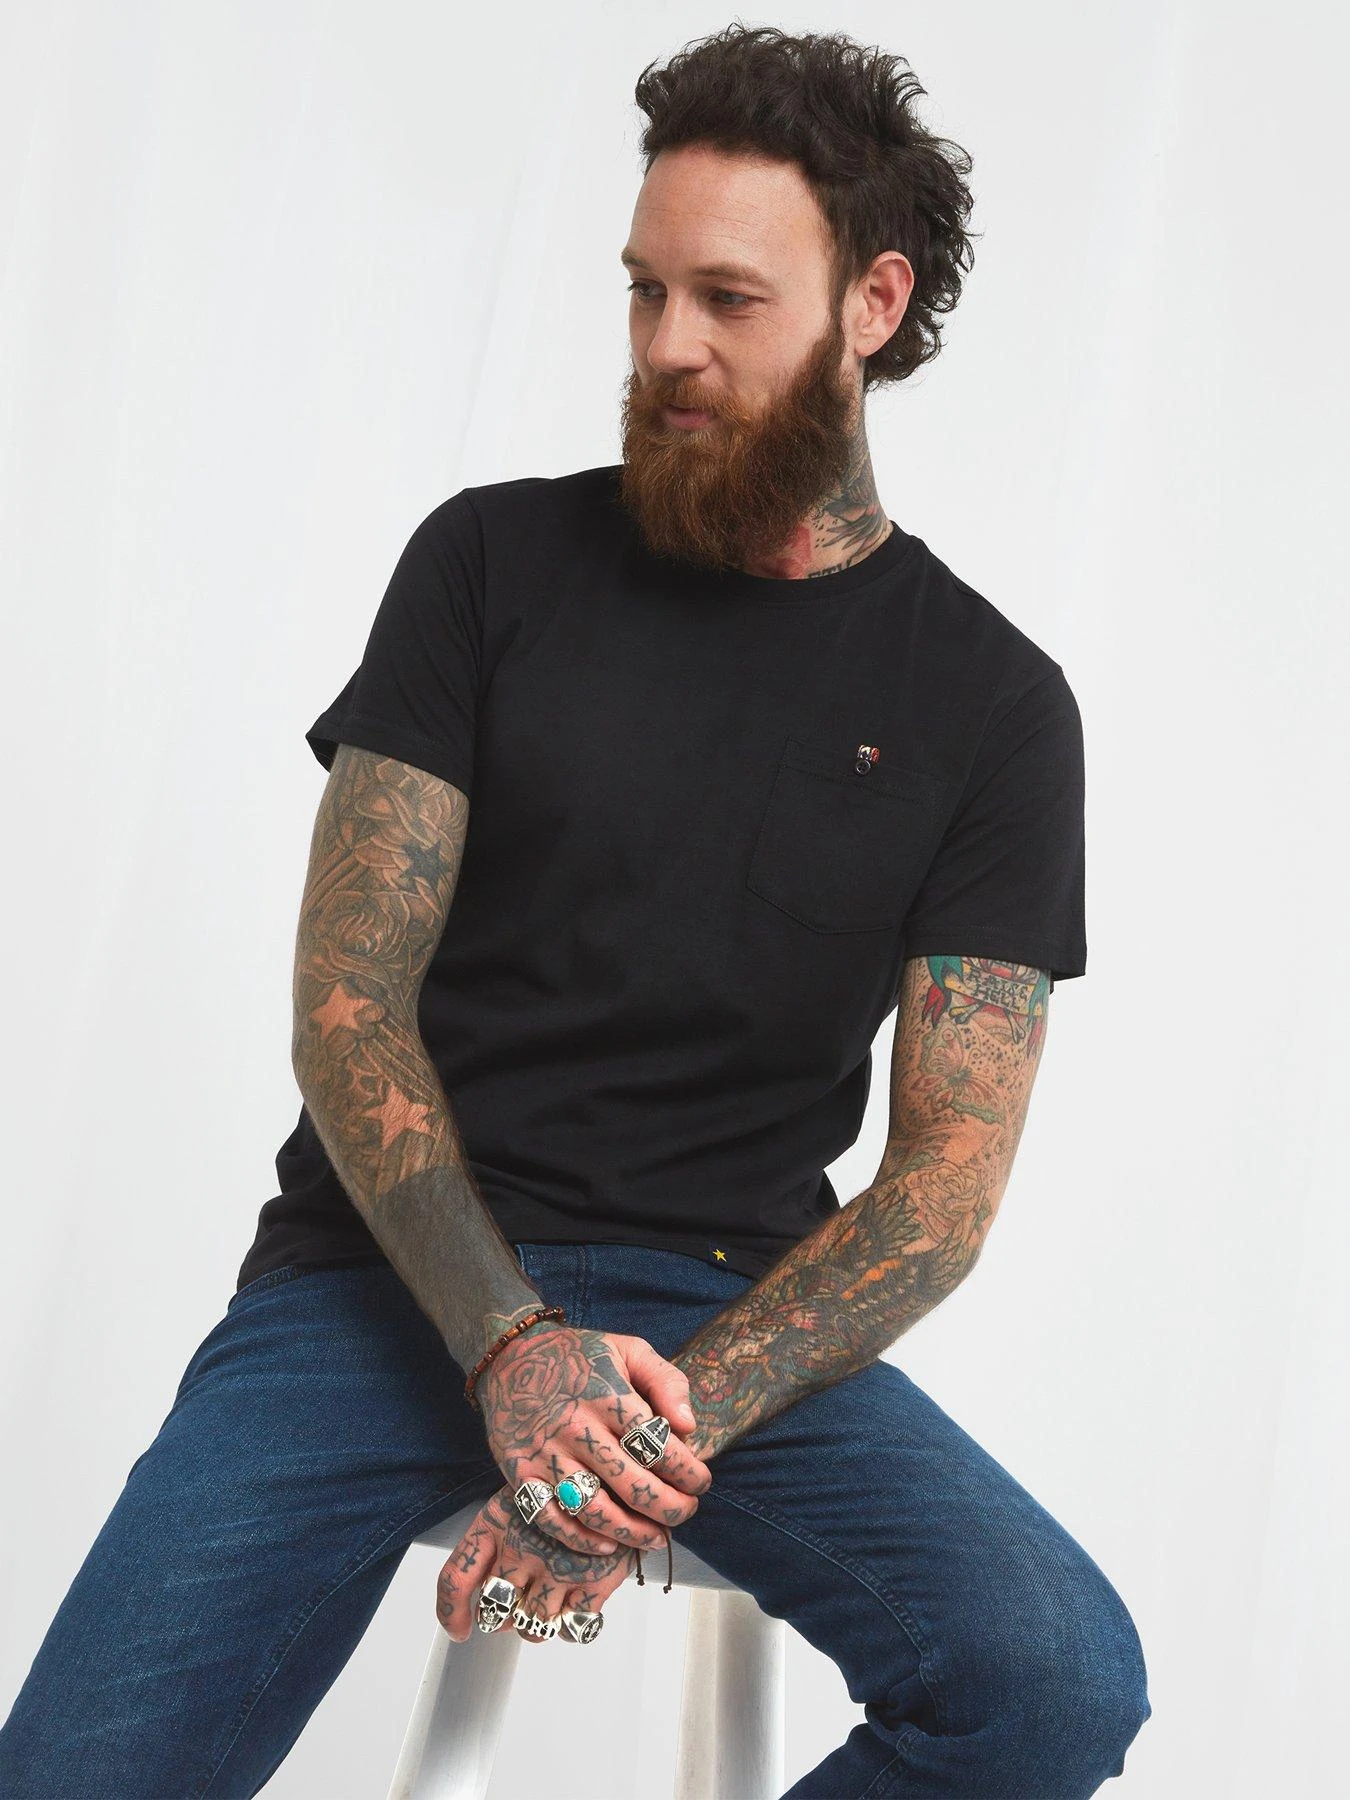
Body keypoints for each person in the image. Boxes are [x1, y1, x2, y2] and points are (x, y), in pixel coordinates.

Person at [0, 23, 1151, 1798]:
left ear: (870, 303)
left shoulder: (992, 706)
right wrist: (514, 1346)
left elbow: (939, 1192)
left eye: (727, 299)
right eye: (643, 291)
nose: (668, 345)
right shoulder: (488, 564)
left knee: (1051, 1679)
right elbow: (348, 1008)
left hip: (728, 1323)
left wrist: (647, 1436)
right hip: (389, 1279)